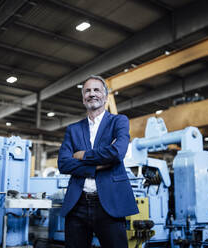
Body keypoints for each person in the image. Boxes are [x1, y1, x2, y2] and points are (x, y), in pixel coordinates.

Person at [58, 75, 139, 248]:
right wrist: (97, 166)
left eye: (96, 90)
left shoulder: (119, 121)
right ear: (83, 98)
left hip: (110, 203)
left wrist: (83, 155)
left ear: (106, 96)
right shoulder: (73, 129)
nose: (92, 94)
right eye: (87, 90)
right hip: (77, 204)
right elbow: (63, 164)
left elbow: (117, 153)